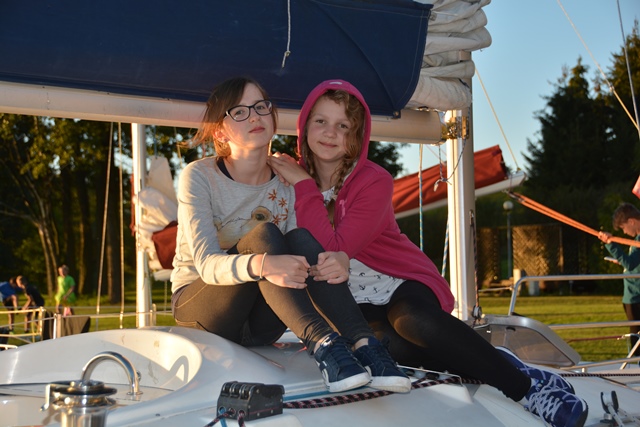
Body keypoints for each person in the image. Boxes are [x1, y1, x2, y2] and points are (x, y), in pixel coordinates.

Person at [268, 79, 589, 427]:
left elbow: (333, 249)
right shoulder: (284, 178)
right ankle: (498, 360)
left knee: (414, 322)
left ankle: (526, 390)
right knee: (391, 348)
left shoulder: (373, 180)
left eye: (343, 125)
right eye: (321, 121)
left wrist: (304, 185)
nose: (330, 133)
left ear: (357, 134)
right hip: (349, 300)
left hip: (397, 281)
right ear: (304, 126)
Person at [170, 76, 410, 393]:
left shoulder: (287, 182)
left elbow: (304, 256)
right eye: (239, 112)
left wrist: (336, 260)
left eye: (261, 107)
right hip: (204, 312)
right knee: (264, 235)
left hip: (262, 324)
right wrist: (263, 265)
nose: (254, 117)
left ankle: (364, 343)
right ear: (220, 132)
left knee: (300, 239)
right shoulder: (200, 176)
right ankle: (323, 344)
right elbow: (205, 264)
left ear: (273, 117)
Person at [598, 202, 640, 358]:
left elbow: (630, 263)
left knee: (636, 339)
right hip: (633, 294)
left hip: (635, 296)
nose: (624, 232)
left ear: (632, 221)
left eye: (623, 228)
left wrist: (611, 245)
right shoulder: (637, 240)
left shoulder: (638, 241)